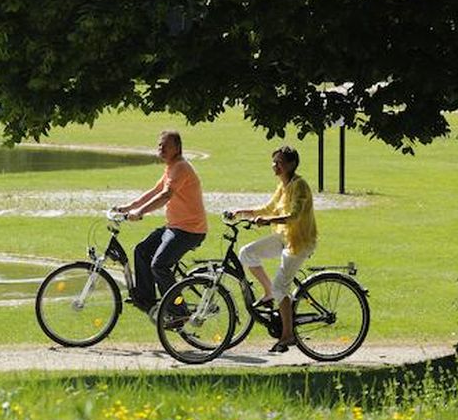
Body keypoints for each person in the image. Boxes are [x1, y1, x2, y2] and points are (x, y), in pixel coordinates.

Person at [230, 145, 317, 354]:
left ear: (291, 165)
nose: (274, 166)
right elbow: (268, 208)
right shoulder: (283, 185)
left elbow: (294, 215)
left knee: (282, 287)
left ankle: (288, 335)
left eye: (279, 162)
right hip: (283, 237)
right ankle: (269, 292)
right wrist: (242, 212)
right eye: (274, 162)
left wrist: (267, 219)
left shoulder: (300, 186)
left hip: (299, 242)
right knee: (246, 253)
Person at [115, 130, 208, 314]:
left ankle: (179, 311)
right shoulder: (171, 167)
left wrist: (140, 212)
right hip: (175, 227)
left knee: (159, 266)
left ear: (178, 148)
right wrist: (128, 207)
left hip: (189, 230)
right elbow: (155, 191)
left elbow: (166, 195)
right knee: (141, 250)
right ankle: (147, 302)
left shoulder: (181, 167)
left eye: (166, 145)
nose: (161, 148)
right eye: (159, 145)